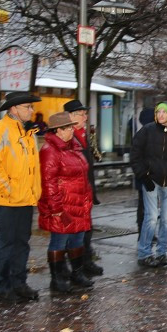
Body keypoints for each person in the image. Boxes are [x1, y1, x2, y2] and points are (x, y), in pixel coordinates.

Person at [0, 91, 42, 303]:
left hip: (25, 199)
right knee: (6, 243)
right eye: (27, 107)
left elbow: (34, 168)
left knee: (22, 243)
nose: (31, 110)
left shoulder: (28, 133)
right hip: (7, 200)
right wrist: (8, 189)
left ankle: (19, 283)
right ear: (14, 109)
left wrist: (35, 192)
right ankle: (3, 288)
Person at [37, 112, 94, 293]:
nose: (72, 129)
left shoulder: (73, 147)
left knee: (77, 239)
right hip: (62, 206)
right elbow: (48, 182)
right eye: (68, 127)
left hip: (78, 204)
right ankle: (57, 278)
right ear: (58, 131)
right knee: (59, 242)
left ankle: (76, 273)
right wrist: (55, 208)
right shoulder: (49, 151)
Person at [131, 102, 167, 268]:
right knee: (151, 218)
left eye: (164, 111)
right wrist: (143, 175)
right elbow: (135, 154)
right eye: (158, 111)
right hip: (151, 179)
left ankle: (162, 253)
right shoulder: (147, 131)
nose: (161, 114)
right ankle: (144, 253)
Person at [63, 100, 103, 276]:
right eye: (81, 114)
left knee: (86, 229)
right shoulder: (68, 137)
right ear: (71, 116)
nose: (85, 117)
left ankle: (86, 261)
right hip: (74, 192)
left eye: (85, 113)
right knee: (74, 233)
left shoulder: (84, 134)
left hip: (85, 189)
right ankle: (75, 267)